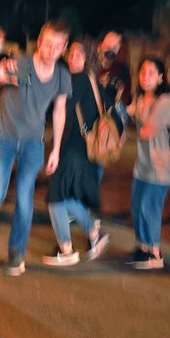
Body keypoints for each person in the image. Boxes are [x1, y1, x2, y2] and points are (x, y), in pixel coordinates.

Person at [0, 22, 71, 276]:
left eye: (58, 46)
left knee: (25, 198)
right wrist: (1, 74)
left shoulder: (62, 75)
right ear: (39, 42)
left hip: (33, 143)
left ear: (64, 48)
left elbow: (60, 111)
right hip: (4, 137)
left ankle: (16, 253)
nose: (51, 50)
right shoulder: (21, 62)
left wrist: (56, 149)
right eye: (48, 43)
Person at [40, 40, 113, 265]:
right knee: (65, 196)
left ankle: (66, 249)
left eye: (78, 55)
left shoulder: (78, 80)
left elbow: (60, 108)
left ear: (88, 58)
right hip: (83, 149)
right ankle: (93, 234)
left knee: (56, 196)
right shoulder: (94, 82)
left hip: (72, 148)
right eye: (71, 54)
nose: (72, 58)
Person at [126, 57, 170, 270]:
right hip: (144, 162)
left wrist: (125, 121)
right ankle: (142, 247)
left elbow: (148, 131)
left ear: (160, 77)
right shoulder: (142, 99)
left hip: (162, 164)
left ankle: (155, 252)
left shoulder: (166, 101)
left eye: (150, 73)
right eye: (142, 72)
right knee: (136, 204)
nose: (145, 77)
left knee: (150, 206)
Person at [96, 30, 132, 111]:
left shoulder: (122, 71)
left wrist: (120, 94)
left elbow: (127, 101)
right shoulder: (90, 68)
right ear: (99, 47)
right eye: (108, 46)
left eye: (115, 47)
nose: (111, 50)